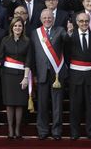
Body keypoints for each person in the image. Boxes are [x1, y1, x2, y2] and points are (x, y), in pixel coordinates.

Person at [28, 9, 73, 140]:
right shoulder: (35, 33)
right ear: (41, 19)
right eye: (45, 18)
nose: (47, 20)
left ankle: (57, 131)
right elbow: (33, 54)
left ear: (53, 19)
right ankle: (42, 130)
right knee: (42, 104)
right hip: (41, 73)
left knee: (57, 104)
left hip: (57, 74)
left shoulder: (60, 30)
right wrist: (34, 73)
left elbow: (67, 40)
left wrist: (70, 32)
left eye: (49, 17)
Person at [0, 17, 31, 139]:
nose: (17, 28)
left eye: (19, 26)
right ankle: (10, 129)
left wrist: (25, 78)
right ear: (11, 27)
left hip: (21, 75)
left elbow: (29, 61)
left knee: (19, 103)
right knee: (9, 103)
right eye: (15, 26)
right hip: (7, 75)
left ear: (23, 28)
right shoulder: (5, 40)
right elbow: (1, 57)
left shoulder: (27, 41)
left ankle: (18, 129)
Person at [67, 12, 91, 140]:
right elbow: (65, 53)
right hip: (75, 74)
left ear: (89, 22)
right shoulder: (71, 36)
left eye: (86, 21)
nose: (84, 23)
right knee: (75, 104)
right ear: (77, 22)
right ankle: (75, 131)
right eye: (81, 21)